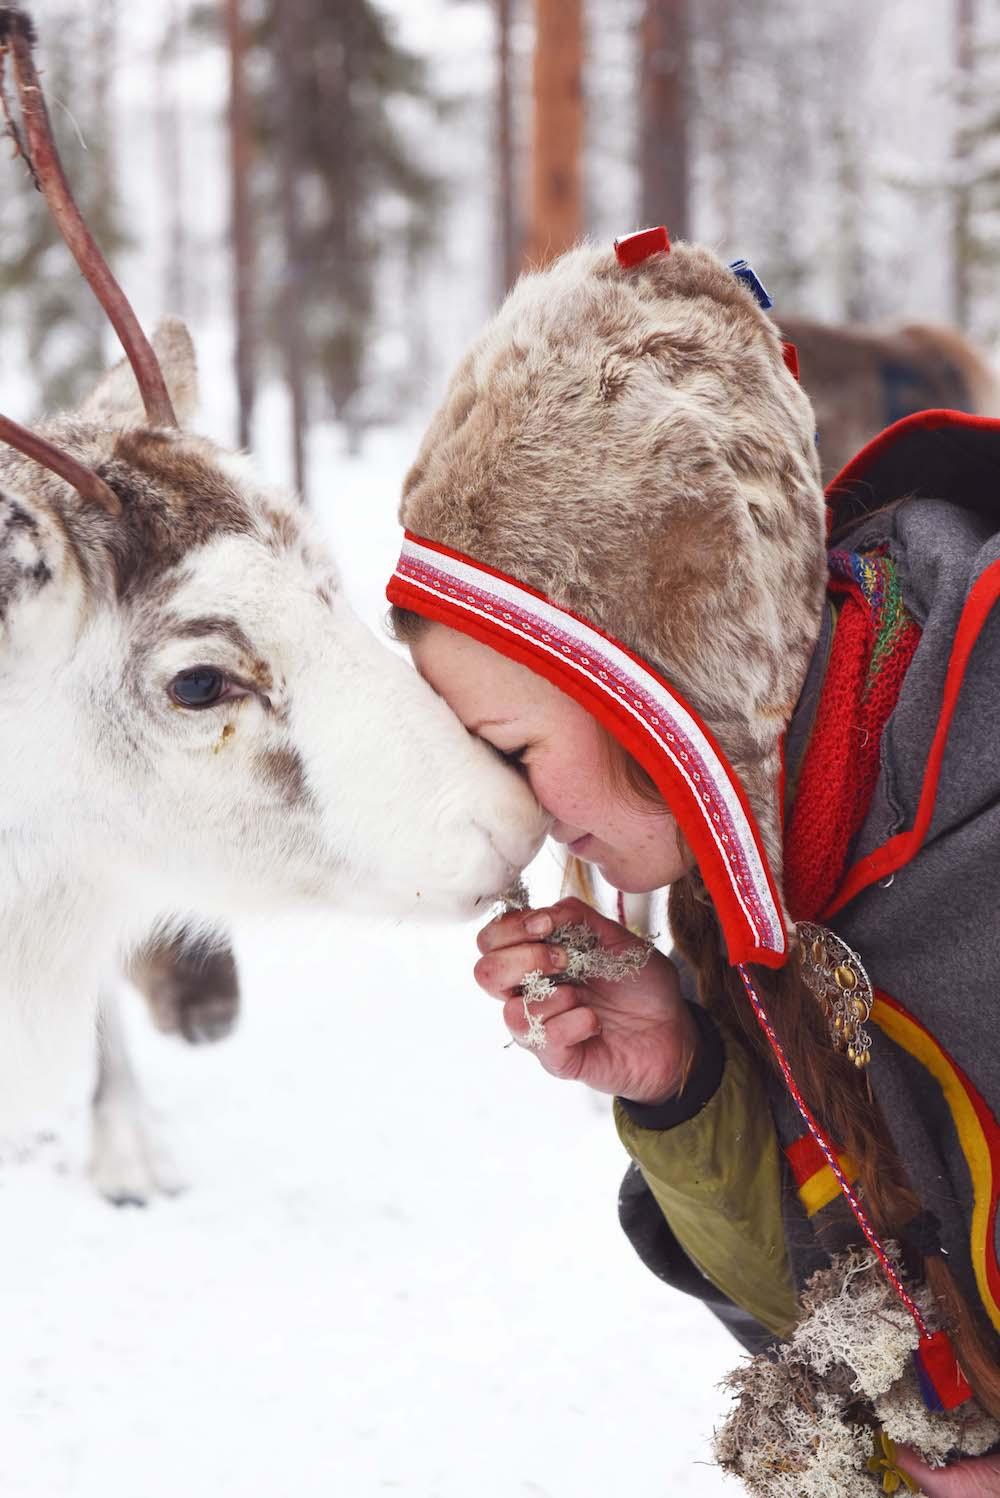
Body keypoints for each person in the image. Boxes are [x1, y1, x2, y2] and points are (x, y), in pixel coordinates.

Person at [385, 228, 1000, 1493]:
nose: (529, 821)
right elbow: (865, 1334)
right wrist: (685, 1084)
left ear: (662, 664)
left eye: (512, 745)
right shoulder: (757, 896)